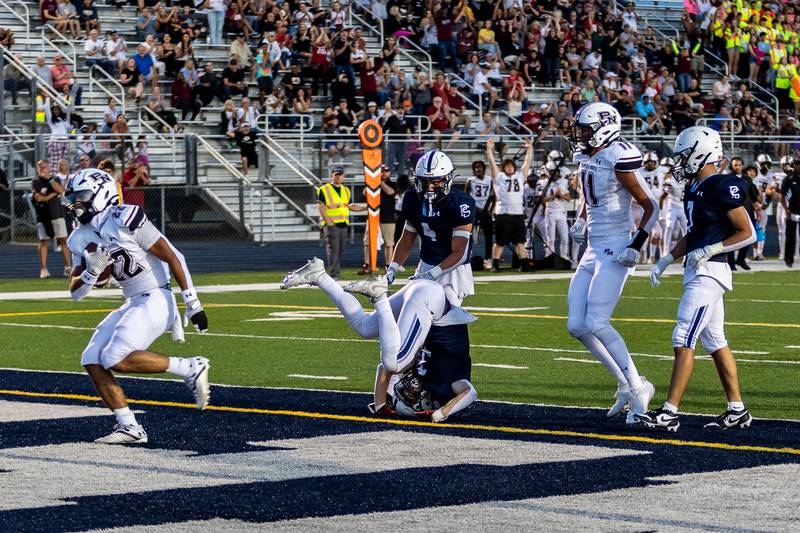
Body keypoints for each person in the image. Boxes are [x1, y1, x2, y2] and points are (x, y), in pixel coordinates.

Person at [63, 168, 210, 444]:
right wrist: (90, 273)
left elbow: (174, 256)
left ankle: (190, 367)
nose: (76, 204)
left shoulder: (125, 216)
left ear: (101, 193)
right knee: (92, 359)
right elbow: (76, 293)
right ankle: (130, 427)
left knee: (114, 357)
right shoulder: (78, 236)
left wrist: (192, 302)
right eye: (73, 198)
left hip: (156, 295)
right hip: (132, 300)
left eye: (81, 196)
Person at [641, 126, 756, 432]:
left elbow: (748, 233)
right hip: (698, 268)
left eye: (684, 155)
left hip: (710, 271)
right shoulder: (694, 187)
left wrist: (712, 248)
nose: (680, 162)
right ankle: (737, 409)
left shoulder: (722, 185)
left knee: (683, 338)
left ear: (701, 153)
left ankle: (669, 412)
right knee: (715, 340)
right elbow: (694, 233)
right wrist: (667, 258)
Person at [565, 102, 660, 425]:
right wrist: (580, 221)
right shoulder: (587, 155)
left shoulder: (619, 156)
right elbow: (591, 197)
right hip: (593, 247)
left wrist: (636, 245)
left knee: (597, 321)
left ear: (604, 127)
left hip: (616, 247)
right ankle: (625, 383)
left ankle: (638, 388)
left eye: (585, 129)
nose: (579, 134)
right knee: (576, 325)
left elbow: (651, 205)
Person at [485, 138, 533, 272]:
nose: (510, 167)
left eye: (511, 165)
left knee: (520, 241)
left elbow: (527, 163)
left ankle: (524, 264)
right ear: (503, 167)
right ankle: (495, 264)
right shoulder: (499, 177)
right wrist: (489, 150)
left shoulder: (519, 176)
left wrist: (530, 149)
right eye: (507, 165)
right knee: (500, 242)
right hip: (503, 214)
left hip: (518, 214)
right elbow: (491, 164)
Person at [316, 167, 366, 279]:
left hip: (343, 223)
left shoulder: (346, 190)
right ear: (332, 175)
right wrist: (328, 222)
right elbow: (320, 206)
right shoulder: (324, 189)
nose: (338, 176)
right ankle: (334, 273)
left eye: (340, 174)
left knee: (340, 249)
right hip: (331, 224)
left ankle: (334, 271)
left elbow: (350, 206)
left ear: (343, 176)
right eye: (336, 174)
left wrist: (365, 208)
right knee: (333, 249)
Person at [31, 160, 72, 278]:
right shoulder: (36, 181)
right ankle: (43, 269)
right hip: (43, 216)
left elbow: (60, 190)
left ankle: (68, 267)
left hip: (57, 214)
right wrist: (51, 195)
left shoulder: (54, 179)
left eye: (44, 166)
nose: (42, 168)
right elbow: (39, 198)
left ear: (49, 167)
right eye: (40, 167)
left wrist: (49, 179)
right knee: (44, 241)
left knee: (64, 240)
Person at [542, 151, 572, 264]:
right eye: (551, 172)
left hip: (562, 212)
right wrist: (555, 195)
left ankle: (564, 258)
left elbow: (568, 197)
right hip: (550, 211)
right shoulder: (544, 183)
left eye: (555, 172)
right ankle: (550, 259)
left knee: (565, 237)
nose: (554, 173)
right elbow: (542, 200)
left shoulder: (561, 182)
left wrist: (561, 195)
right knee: (551, 239)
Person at [636, 152, 663, 263]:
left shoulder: (662, 171)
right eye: (647, 162)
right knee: (642, 230)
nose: (650, 164)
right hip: (644, 204)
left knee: (657, 232)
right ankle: (642, 253)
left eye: (652, 162)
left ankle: (651, 255)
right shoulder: (639, 171)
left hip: (656, 204)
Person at [464, 160, 494, 262]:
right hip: (474, 211)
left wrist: (491, 210)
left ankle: (488, 258)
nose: (478, 169)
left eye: (480, 167)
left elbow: (494, 196)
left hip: (486, 211)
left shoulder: (489, 180)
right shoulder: (470, 180)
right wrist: (471, 208)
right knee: (469, 235)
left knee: (488, 235)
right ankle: (468, 257)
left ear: (484, 169)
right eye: (476, 167)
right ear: (473, 170)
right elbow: (465, 197)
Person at [661, 168, 688, 257]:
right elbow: (663, 196)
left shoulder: (687, 181)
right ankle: (665, 251)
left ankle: (686, 252)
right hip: (672, 208)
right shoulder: (670, 181)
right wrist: (661, 213)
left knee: (686, 230)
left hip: (683, 208)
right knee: (669, 227)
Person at [781, 157, 800, 268]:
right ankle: (788, 259)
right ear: (793, 166)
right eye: (797, 164)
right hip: (791, 210)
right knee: (790, 236)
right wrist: (786, 209)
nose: (799, 166)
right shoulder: (788, 178)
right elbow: (782, 196)